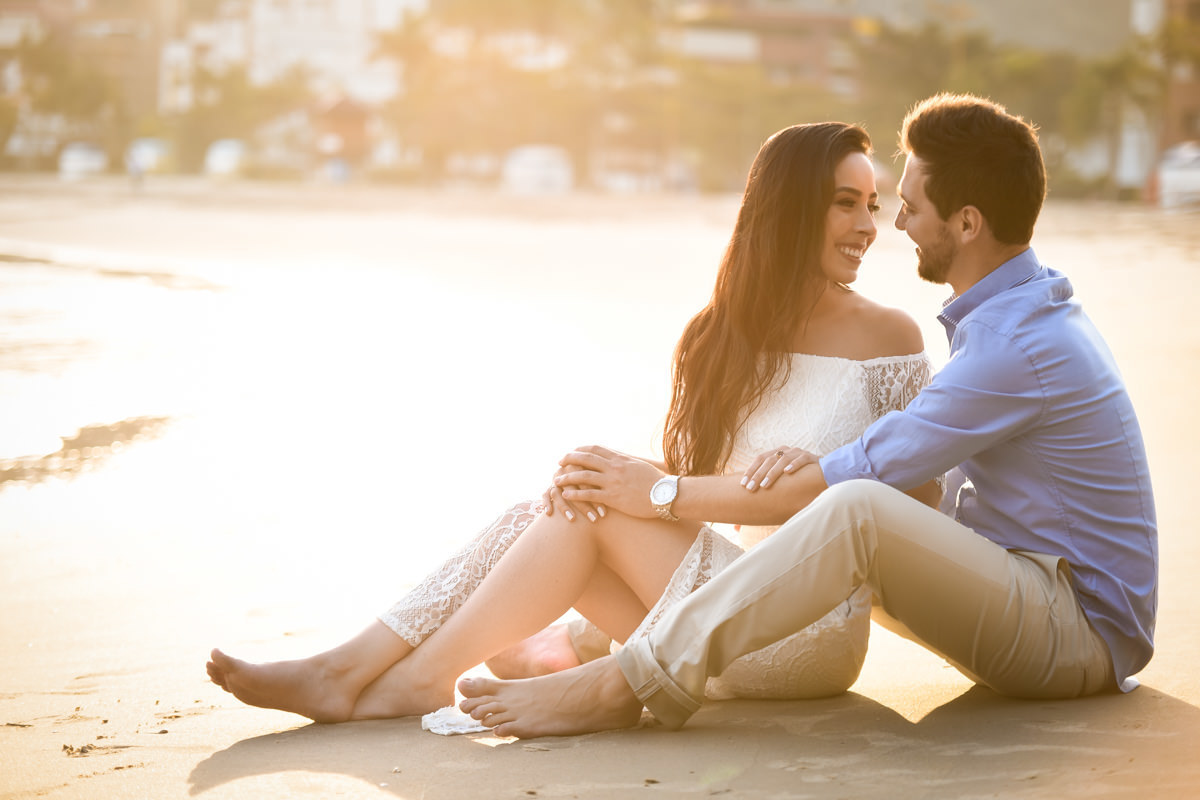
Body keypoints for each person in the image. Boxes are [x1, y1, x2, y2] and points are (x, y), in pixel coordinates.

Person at [455, 92, 1159, 738]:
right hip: (1030, 590)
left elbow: (859, 481)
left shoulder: (1016, 346)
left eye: (908, 205)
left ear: (968, 222)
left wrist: (660, 493)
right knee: (841, 508)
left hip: (1077, 634)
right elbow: (904, 481)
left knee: (853, 508)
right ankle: (586, 643)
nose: (897, 224)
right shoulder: (1014, 315)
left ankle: (625, 680)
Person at [206, 121, 942, 723]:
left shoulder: (891, 338)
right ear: (788, 207)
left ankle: (403, 677)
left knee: (590, 508)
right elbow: (687, 487)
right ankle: (356, 668)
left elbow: (919, 506)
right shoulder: (719, 336)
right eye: (846, 203)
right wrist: (624, 484)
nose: (867, 226)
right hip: (700, 621)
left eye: (871, 205)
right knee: (555, 505)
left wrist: (816, 480)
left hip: (804, 633)